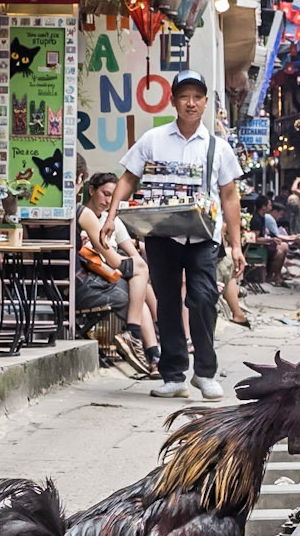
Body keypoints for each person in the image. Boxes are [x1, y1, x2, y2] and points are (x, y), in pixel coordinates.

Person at [103, 70, 244, 402]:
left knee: (203, 299)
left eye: (197, 97)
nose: (191, 103)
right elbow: (127, 179)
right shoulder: (154, 139)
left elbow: (229, 196)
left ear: (205, 102)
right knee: (166, 303)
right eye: (184, 97)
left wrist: (236, 245)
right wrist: (111, 217)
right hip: (162, 235)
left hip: (202, 239)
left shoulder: (218, 148)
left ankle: (205, 373)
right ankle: (174, 374)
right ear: (173, 101)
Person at [79, 173, 161, 372]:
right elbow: (116, 259)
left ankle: (152, 351)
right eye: (105, 194)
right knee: (139, 291)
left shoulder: (111, 220)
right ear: (91, 190)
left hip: (113, 273)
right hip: (95, 275)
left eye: (113, 197)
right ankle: (153, 350)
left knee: (140, 282)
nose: (108, 201)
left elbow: (133, 256)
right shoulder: (85, 216)